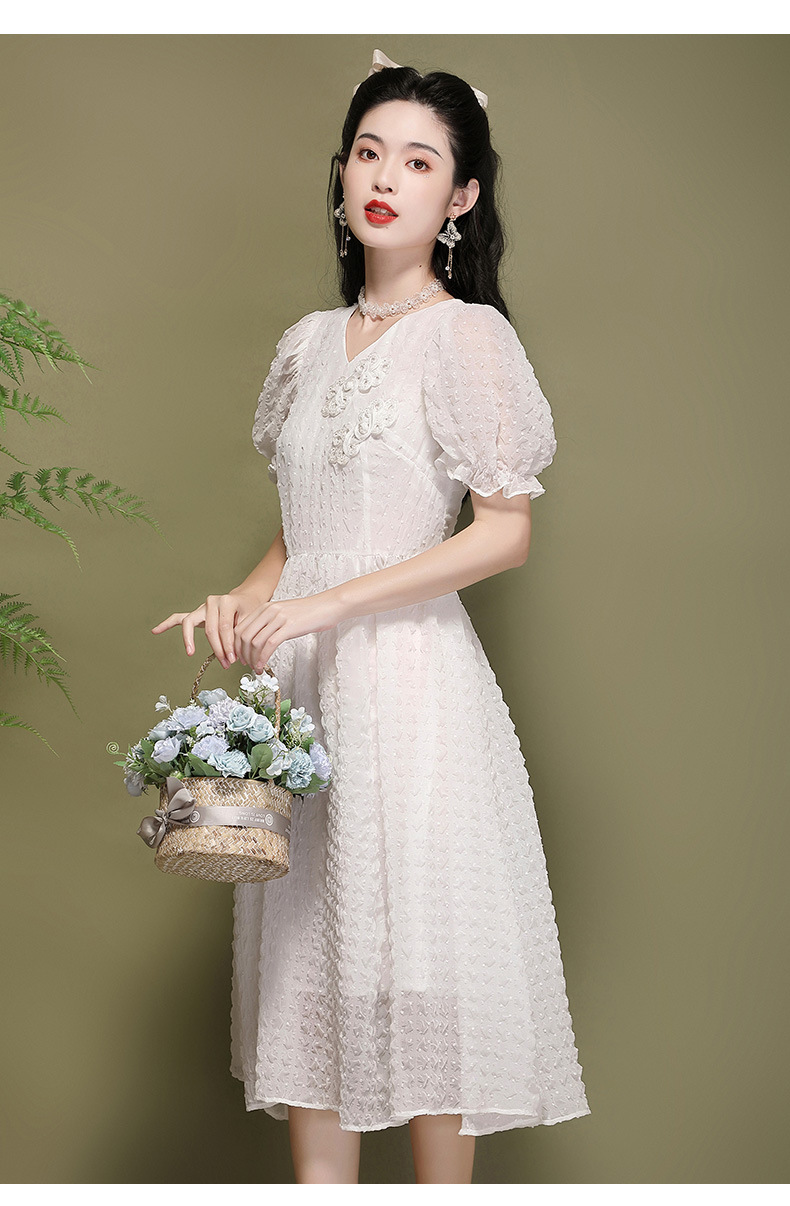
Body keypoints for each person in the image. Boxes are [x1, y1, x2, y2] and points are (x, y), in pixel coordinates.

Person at [151, 47, 590, 1185]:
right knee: (310, 962)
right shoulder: (306, 343)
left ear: (463, 196)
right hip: (304, 690)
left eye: (419, 160)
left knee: (420, 967)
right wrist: (249, 596)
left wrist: (331, 602)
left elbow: (503, 530)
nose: (385, 177)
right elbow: (305, 525)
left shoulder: (468, 337)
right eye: (367, 152)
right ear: (341, 171)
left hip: (408, 685)